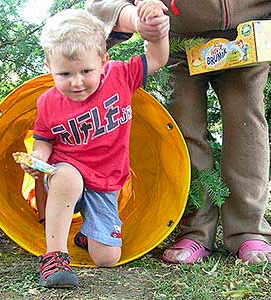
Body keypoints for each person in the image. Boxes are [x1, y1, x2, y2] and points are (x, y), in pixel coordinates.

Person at [87, 0, 271, 265]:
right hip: (179, 42)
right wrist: (138, 19)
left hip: (248, 37)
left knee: (246, 126)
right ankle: (194, 230)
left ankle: (249, 229)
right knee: (184, 129)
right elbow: (101, 4)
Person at [19, 4, 169, 288]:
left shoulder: (121, 76)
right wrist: (36, 160)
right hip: (67, 173)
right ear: (48, 68)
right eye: (64, 75)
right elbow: (43, 140)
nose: (76, 82)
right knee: (66, 175)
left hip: (107, 182)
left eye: (86, 71)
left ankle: (88, 234)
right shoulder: (48, 102)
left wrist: (157, 31)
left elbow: (158, 57)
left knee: (107, 258)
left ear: (103, 60)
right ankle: (55, 257)